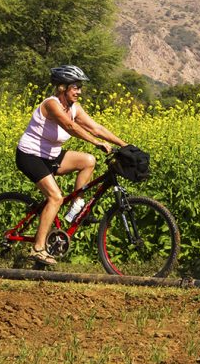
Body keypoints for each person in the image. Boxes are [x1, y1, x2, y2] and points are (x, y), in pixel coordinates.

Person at [15, 65, 127, 265]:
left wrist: (124, 145)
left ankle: (77, 209)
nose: (79, 91)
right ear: (62, 88)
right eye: (75, 87)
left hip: (52, 156)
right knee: (56, 198)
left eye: (80, 87)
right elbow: (69, 126)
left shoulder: (74, 107)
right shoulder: (51, 104)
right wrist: (95, 142)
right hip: (30, 156)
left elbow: (95, 127)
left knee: (88, 161)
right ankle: (38, 248)